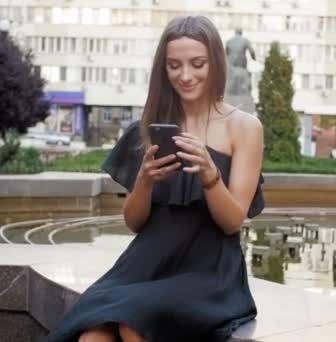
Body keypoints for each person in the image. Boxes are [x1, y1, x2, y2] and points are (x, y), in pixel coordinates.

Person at [46, 16, 265, 342]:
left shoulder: (245, 128)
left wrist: (210, 176)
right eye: (174, 65)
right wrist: (145, 182)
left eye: (197, 63)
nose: (185, 75)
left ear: (216, 63)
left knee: (133, 325)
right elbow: (135, 223)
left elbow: (232, 222)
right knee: (92, 335)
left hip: (209, 271)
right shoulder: (147, 128)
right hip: (145, 263)